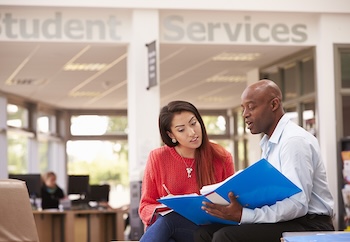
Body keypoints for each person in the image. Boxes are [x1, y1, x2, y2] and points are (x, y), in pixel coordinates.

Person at [194, 79, 335, 242]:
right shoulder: (270, 143)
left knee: (225, 237)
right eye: (243, 108)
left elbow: (298, 204)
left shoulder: (293, 141)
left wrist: (245, 215)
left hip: (310, 224)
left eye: (251, 107)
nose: (245, 114)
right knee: (203, 233)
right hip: (288, 220)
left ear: (274, 104)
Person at [139, 100, 235, 242]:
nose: (192, 133)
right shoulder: (157, 158)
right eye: (181, 130)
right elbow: (145, 206)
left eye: (193, 123)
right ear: (171, 135)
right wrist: (166, 206)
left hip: (209, 231)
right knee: (169, 224)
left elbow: (232, 204)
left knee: (169, 221)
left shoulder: (221, 157)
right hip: (173, 231)